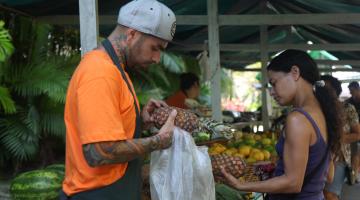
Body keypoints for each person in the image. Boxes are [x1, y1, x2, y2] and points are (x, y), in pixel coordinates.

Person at [60, 0, 177, 199]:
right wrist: (158, 141)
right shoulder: (100, 72)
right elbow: (100, 152)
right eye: (155, 48)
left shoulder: (116, 70)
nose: (157, 59)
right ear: (132, 35)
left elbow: (111, 134)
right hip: (96, 194)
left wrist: (140, 121)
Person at [221, 49, 342, 200]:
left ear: (295, 72)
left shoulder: (298, 119)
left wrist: (241, 185)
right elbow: (328, 175)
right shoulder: (324, 113)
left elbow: (293, 183)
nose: (271, 92)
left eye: (274, 83)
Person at [321, 75, 360, 200]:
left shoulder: (347, 108)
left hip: (339, 156)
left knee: (329, 194)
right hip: (319, 157)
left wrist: (336, 139)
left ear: (335, 91)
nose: (323, 92)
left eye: (327, 89)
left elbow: (358, 134)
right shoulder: (316, 109)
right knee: (322, 194)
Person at [346, 81, 360, 182]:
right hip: (354, 132)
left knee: (357, 154)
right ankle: (354, 175)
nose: (351, 93)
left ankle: (355, 173)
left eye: (352, 91)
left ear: (357, 89)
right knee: (355, 153)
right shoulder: (349, 102)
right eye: (350, 91)